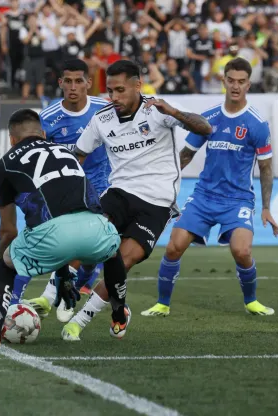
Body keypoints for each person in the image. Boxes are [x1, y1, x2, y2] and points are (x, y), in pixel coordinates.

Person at [61, 60, 212, 341]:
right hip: (119, 193)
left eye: (120, 90)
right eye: (110, 91)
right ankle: (56, 295)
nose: (114, 97)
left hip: (157, 202)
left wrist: (174, 111)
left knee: (123, 260)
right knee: (88, 237)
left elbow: (205, 129)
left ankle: (85, 320)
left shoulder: (158, 112)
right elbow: (77, 156)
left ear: (137, 86)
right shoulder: (102, 120)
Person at [0, 109, 125, 354]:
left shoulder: (6, 163)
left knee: (5, 265)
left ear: (11, 139)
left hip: (52, 234)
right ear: (43, 134)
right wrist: (63, 273)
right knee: (113, 254)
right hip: (96, 225)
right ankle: (118, 315)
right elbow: (69, 212)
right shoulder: (66, 151)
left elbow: (9, 231)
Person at [141, 57, 278, 317]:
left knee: (242, 250)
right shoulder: (209, 118)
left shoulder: (257, 124)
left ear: (249, 84)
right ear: (223, 81)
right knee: (173, 246)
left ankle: (251, 301)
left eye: (241, 82)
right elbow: (185, 155)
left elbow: (266, 167)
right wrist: (158, 182)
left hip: (237, 199)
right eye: (231, 80)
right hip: (203, 196)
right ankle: (162, 304)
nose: (236, 86)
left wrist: (267, 207)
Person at [16, 59, 112, 323]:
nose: (73, 87)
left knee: (85, 247)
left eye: (78, 81)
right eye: (67, 81)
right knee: (73, 246)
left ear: (88, 83)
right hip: (65, 190)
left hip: (102, 186)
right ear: (60, 83)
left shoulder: (105, 110)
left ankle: (52, 296)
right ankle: (59, 293)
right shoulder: (48, 118)